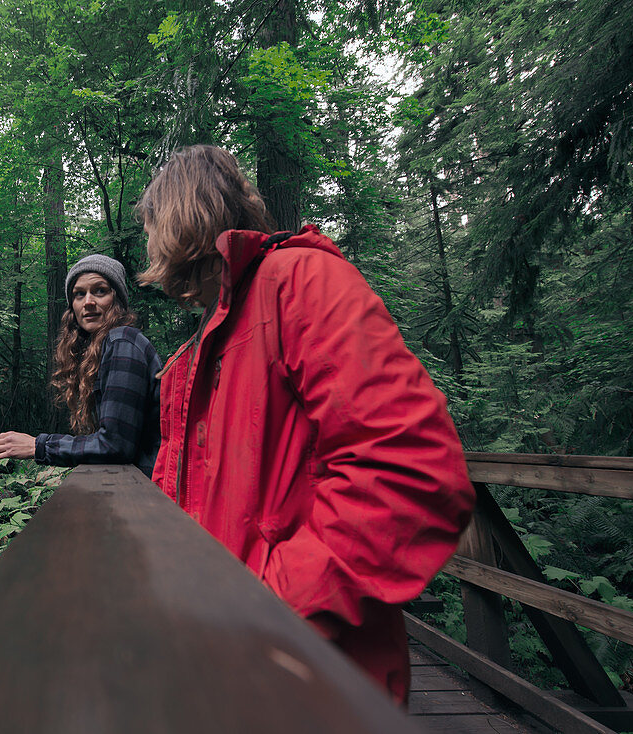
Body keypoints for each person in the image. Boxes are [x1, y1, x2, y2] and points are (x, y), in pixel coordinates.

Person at [136, 145, 475, 703]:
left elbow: (409, 471)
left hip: (313, 682)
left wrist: (263, 607)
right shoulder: (202, 344)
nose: (151, 249)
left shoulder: (300, 281)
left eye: (152, 228)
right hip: (233, 677)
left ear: (179, 220)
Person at [0, 254, 162, 476]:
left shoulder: (123, 341)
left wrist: (38, 445)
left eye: (100, 290)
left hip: (153, 493)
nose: (88, 302)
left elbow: (115, 445)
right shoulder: (107, 347)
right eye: (79, 294)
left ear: (118, 299)